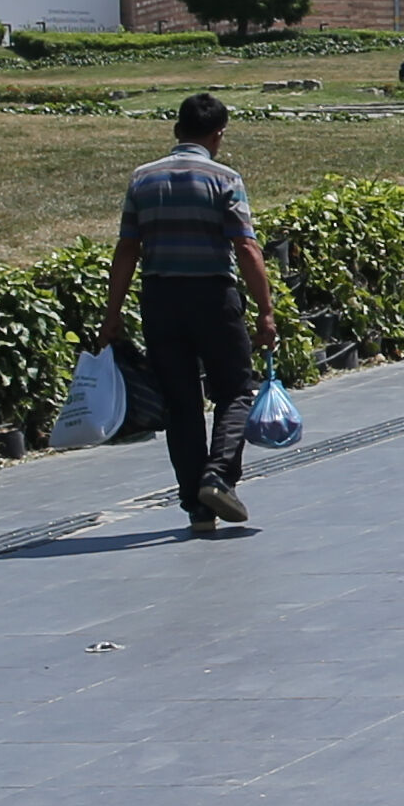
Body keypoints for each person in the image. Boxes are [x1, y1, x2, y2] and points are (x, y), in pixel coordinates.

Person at [93, 91, 286, 536]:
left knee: (180, 404)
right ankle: (217, 477)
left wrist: (112, 314)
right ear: (218, 136)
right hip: (213, 297)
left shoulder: (143, 179)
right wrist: (265, 312)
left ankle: (197, 508)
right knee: (235, 391)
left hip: (160, 300)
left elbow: (127, 249)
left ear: (177, 130)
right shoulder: (224, 178)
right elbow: (246, 247)